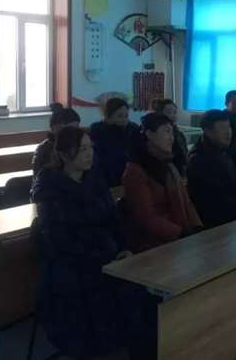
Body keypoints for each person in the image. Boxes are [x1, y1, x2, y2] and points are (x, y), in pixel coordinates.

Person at [31, 127, 153, 359]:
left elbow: (114, 221)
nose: (90, 154)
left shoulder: (95, 180)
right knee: (123, 296)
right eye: (83, 149)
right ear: (65, 154)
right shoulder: (49, 189)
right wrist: (105, 257)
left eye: (90, 148)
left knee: (141, 295)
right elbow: (62, 241)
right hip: (72, 265)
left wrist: (123, 248)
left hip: (107, 256)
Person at [123, 113, 202, 252]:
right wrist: (180, 233)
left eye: (172, 132)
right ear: (149, 134)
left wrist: (198, 226)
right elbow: (147, 217)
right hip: (154, 245)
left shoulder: (169, 165)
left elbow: (186, 201)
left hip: (180, 236)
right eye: (166, 131)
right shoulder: (136, 171)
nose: (171, 138)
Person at [186, 109, 236, 228]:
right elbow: (216, 200)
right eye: (222, 128)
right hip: (220, 225)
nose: (228, 132)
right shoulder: (199, 159)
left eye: (229, 127)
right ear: (208, 131)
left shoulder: (228, 150)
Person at [90, 97, 140, 188]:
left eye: (126, 116)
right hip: (108, 179)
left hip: (129, 177)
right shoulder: (99, 133)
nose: (124, 119)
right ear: (108, 116)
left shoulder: (132, 130)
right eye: (119, 116)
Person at [32, 103, 81, 176]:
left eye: (76, 129)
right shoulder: (45, 149)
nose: (74, 134)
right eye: (69, 130)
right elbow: (40, 176)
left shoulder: (80, 144)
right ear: (55, 129)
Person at [151, 98, 188, 171]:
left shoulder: (179, 134)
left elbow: (184, 155)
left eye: (175, 112)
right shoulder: (156, 135)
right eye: (169, 112)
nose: (173, 115)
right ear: (159, 113)